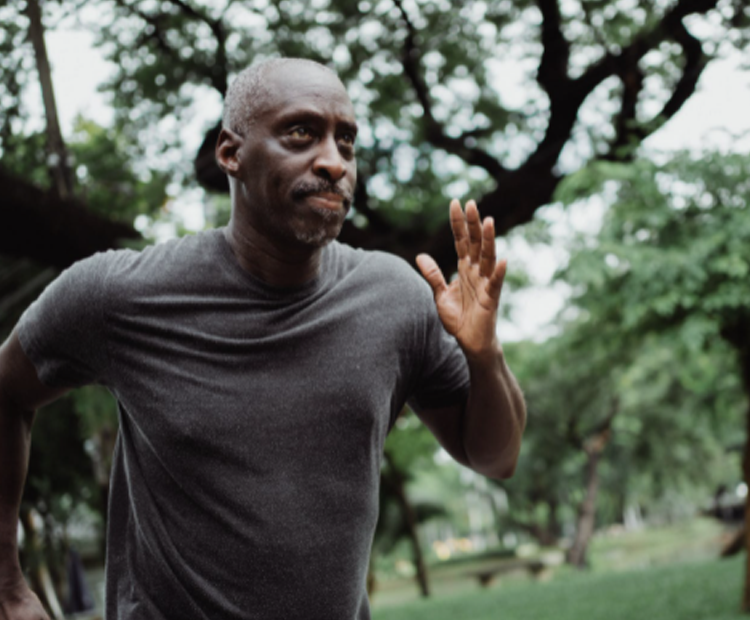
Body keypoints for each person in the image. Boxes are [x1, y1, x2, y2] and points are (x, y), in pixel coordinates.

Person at [0, 58, 526, 619]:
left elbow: (494, 456)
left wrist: (484, 356)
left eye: (346, 141)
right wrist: (7, 584)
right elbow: (7, 393)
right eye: (301, 132)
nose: (332, 162)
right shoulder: (118, 296)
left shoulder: (394, 296)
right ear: (231, 153)